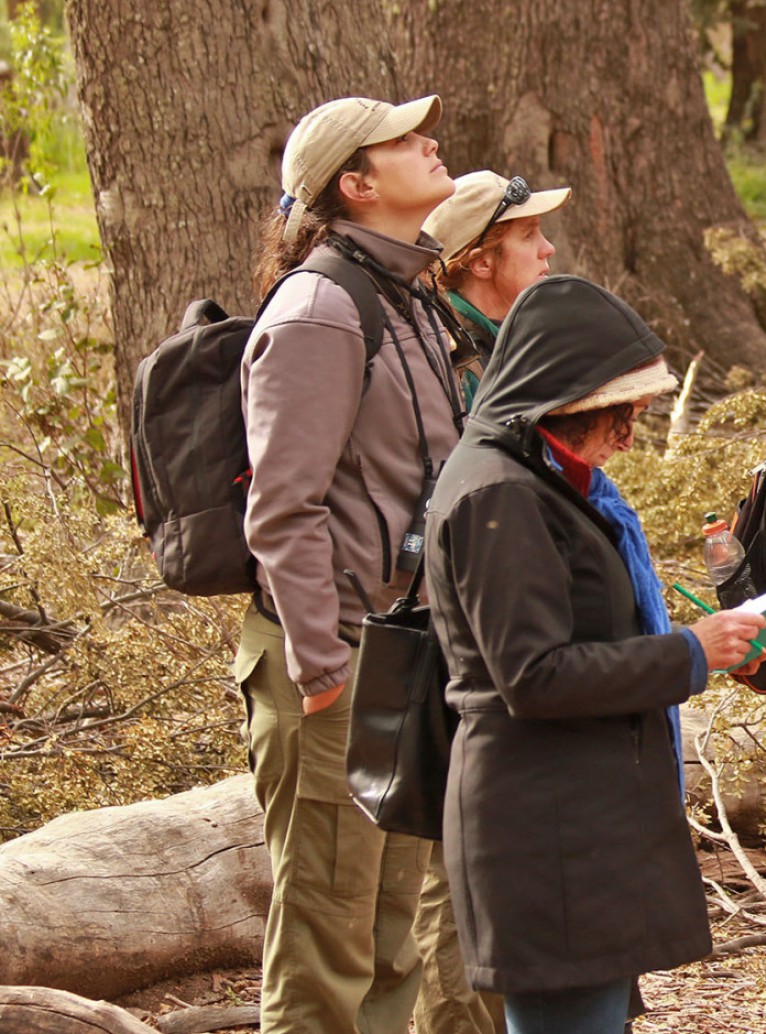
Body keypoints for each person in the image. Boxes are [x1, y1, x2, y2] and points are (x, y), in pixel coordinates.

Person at [422, 274, 766, 1034]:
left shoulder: (541, 481)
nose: (629, 436)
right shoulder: (500, 496)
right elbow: (533, 676)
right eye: (620, 413)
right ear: (565, 400)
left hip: (576, 825)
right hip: (544, 836)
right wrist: (687, 653)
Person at [235, 94, 461, 1034]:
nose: (432, 144)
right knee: (328, 942)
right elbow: (283, 506)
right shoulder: (323, 308)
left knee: (387, 936)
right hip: (332, 658)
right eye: (406, 141)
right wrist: (324, 668)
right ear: (356, 185)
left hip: (399, 651)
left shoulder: (406, 296)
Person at [408, 168, 570, 1034]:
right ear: (476, 260)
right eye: (528, 240)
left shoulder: (499, 353)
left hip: (505, 632)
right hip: (454, 643)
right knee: (451, 868)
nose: (548, 252)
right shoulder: (449, 363)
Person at [423, 169, 571, 407]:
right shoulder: (457, 362)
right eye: (528, 235)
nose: (548, 248)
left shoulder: (523, 341)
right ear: (482, 263)